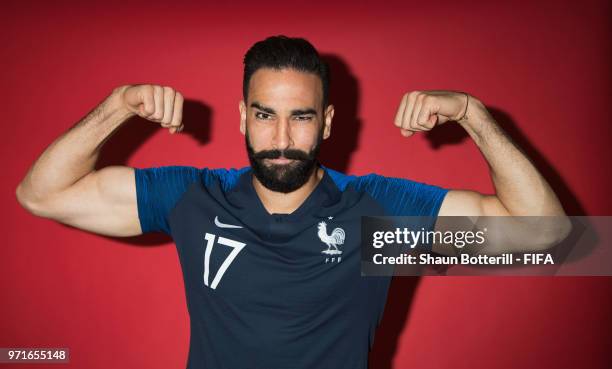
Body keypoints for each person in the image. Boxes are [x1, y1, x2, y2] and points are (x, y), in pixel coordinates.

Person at [16, 35, 570, 368]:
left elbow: (542, 236)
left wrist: (473, 114)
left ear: (326, 122)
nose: (281, 137)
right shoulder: (192, 197)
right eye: (264, 114)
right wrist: (117, 107)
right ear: (243, 117)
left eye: (301, 116)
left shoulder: (374, 215)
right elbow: (41, 194)